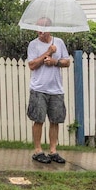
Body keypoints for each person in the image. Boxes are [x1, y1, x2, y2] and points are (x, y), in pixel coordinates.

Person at [26, 17, 70, 164]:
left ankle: (53, 151)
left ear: (49, 29)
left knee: (55, 120)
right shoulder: (33, 45)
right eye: (38, 28)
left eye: (42, 29)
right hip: (39, 88)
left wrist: (55, 62)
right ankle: (38, 150)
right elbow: (32, 65)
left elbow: (67, 62)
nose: (39, 32)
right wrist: (48, 52)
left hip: (56, 89)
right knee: (38, 120)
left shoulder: (59, 42)